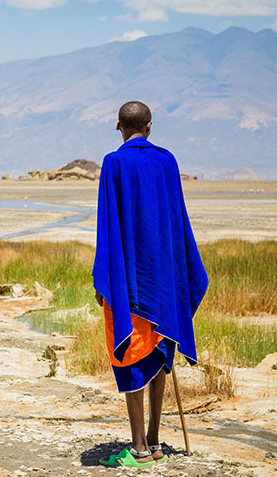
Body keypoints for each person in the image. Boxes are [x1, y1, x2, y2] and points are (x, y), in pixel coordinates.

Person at [92, 101, 208, 468]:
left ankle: (139, 449)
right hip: (164, 281)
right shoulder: (167, 161)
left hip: (130, 282)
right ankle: (156, 442)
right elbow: (176, 221)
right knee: (158, 356)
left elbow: (108, 225)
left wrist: (104, 279)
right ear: (150, 127)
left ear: (118, 127)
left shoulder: (114, 162)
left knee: (129, 356)